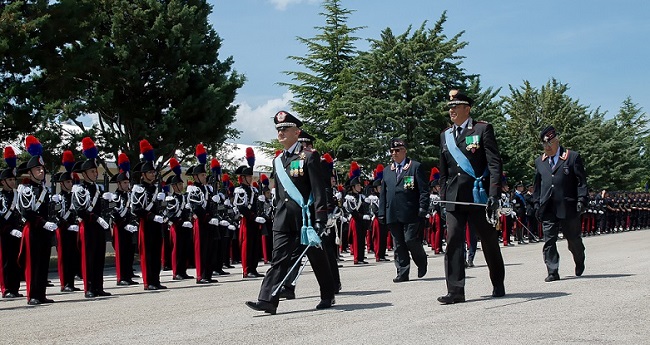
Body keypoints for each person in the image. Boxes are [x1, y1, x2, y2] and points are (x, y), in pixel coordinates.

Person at [245, 110, 335, 315]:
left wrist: (321, 218)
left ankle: (327, 294)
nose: (281, 133)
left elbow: (318, 189)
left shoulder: (309, 157)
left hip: (306, 219)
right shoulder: (277, 161)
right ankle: (267, 299)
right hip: (284, 218)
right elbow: (279, 193)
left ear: (297, 132)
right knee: (279, 259)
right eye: (279, 129)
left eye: (285, 129)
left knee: (317, 258)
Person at [438, 90, 505, 304]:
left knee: (488, 241)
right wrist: (443, 197)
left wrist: (494, 194)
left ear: (467, 108)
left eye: (456, 106)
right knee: (453, 241)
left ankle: (497, 281)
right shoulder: (445, 135)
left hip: (479, 195)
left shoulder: (482, 129)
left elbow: (495, 164)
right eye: (450, 107)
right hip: (454, 197)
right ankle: (456, 290)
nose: (452, 110)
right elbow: (444, 171)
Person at [532, 125, 588, 282]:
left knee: (573, 239)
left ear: (557, 141)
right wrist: (536, 203)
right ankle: (552, 271)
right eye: (544, 145)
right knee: (549, 240)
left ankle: (579, 259)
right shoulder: (540, 162)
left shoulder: (571, 157)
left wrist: (582, 200)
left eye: (549, 144)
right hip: (548, 207)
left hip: (568, 206)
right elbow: (537, 185)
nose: (547, 147)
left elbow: (581, 182)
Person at [378, 138, 429, 283]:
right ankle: (402, 272)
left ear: (404, 151)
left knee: (410, 240)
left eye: (397, 150)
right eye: (392, 151)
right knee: (398, 243)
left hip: (411, 212)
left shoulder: (414, 167)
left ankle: (421, 261)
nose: (394, 153)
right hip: (392, 213)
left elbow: (424, 191)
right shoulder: (388, 171)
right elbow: (383, 194)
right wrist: (381, 212)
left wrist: (423, 207)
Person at [15, 135, 56, 304]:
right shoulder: (25, 189)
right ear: (30, 172)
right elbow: (26, 212)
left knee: (43, 261)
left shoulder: (44, 189)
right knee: (33, 263)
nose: (41, 171)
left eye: (42, 169)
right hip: (33, 230)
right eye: (37, 169)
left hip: (44, 231)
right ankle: (32, 295)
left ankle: (41, 293)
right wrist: (43, 222)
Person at [70, 137, 112, 298]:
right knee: (88, 257)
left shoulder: (98, 189)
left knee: (99, 256)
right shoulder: (78, 189)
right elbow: (80, 210)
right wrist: (96, 218)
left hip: (99, 227)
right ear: (85, 173)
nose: (96, 173)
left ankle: (98, 286)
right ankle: (88, 288)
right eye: (93, 171)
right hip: (87, 227)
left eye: (96, 171)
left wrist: (108, 202)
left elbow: (102, 208)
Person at [131, 139, 167, 290]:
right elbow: (137, 209)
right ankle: (148, 282)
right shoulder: (138, 189)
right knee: (148, 253)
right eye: (150, 172)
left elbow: (161, 207)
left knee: (157, 251)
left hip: (157, 225)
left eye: (154, 172)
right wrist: (152, 216)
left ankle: (156, 279)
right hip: (146, 224)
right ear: (144, 174)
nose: (153, 174)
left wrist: (163, 207)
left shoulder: (156, 189)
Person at [110, 153, 139, 286]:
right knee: (121, 252)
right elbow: (113, 214)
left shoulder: (130, 196)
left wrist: (133, 223)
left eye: (128, 182)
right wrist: (124, 224)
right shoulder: (114, 197)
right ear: (119, 183)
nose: (128, 185)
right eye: (125, 182)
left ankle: (128, 275)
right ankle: (121, 277)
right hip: (120, 228)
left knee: (129, 252)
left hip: (129, 228)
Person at [0, 146, 24, 298]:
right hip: (4, 234)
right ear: (2, 182)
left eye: (14, 179)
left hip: (17, 232)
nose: (13, 182)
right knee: (5, 262)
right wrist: (10, 230)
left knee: (16, 261)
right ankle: (6, 289)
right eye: (10, 179)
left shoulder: (17, 195)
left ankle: (15, 288)